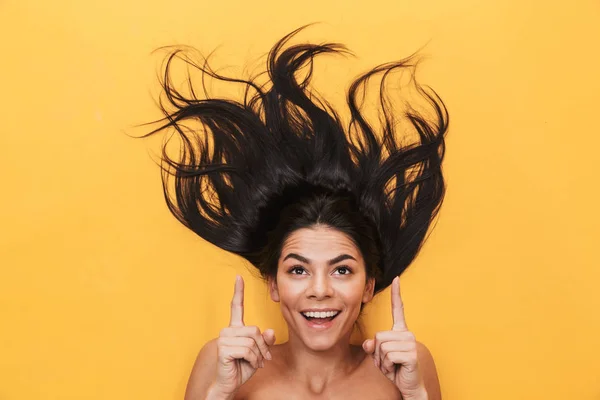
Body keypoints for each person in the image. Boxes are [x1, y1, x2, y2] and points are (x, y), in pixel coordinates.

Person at [139, 24, 448, 399]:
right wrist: (218, 393)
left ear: (368, 286)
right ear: (272, 283)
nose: (319, 290)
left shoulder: (407, 367)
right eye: (298, 269)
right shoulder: (223, 363)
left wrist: (416, 394)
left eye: (342, 269)